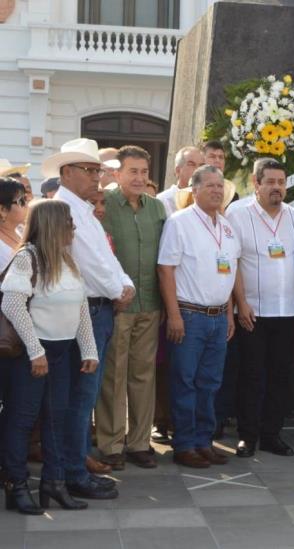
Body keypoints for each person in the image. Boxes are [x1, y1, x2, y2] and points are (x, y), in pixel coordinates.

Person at [44, 138, 134, 499]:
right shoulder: (63, 209)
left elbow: (107, 258)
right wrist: (118, 289)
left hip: (98, 307)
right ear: (66, 173)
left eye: (98, 170)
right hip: (84, 310)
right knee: (79, 396)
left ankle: (75, 466)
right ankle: (72, 472)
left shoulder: (82, 209)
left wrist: (122, 285)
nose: (97, 177)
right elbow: (91, 264)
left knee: (85, 395)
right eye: (90, 170)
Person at [2, 200, 98, 514]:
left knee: (57, 419)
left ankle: (53, 484)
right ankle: (16, 487)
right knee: (22, 420)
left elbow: (81, 307)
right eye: (68, 221)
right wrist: (36, 351)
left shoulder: (68, 260)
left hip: (61, 352)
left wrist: (89, 349)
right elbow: (12, 305)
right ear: (52, 223)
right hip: (32, 356)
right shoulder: (27, 258)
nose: (73, 226)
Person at [158, 165, 240, 468]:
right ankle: (184, 445)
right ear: (194, 190)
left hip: (219, 317)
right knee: (185, 381)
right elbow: (165, 269)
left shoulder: (228, 226)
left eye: (221, 186)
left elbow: (230, 270)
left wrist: (230, 313)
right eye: (210, 186)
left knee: (211, 382)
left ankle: (204, 441)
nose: (217, 191)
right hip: (190, 316)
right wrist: (174, 315)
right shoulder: (179, 223)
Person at [227, 159, 294, 458]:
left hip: (288, 312)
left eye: (281, 182)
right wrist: (241, 303)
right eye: (270, 181)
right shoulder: (237, 215)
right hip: (253, 313)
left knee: (280, 377)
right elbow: (232, 261)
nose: (276, 187)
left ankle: (272, 434)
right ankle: (247, 436)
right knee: (251, 376)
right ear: (256, 183)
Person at [95, 146, 167, 470]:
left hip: (150, 304)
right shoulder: (103, 206)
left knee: (143, 375)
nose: (139, 178)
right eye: (132, 171)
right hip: (115, 304)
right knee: (113, 376)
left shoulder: (157, 208)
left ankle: (140, 442)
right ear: (117, 173)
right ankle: (111, 444)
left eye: (143, 171)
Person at [0, 177, 28, 482]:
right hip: (5, 332)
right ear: (2, 210)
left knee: (16, 406)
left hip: (24, 333)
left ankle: (11, 464)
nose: (25, 205)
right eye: (19, 201)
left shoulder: (21, 233)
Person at [157, 146, 204, 216]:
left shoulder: (206, 201)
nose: (198, 170)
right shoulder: (162, 201)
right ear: (178, 170)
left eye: (201, 166)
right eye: (191, 164)